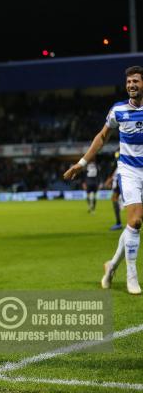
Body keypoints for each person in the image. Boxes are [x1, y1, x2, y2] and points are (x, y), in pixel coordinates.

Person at [64, 65, 143, 295]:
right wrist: (81, 164)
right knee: (136, 222)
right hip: (129, 172)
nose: (131, 85)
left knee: (132, 226)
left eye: (136, 81)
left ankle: (111, 267)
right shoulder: (118, 110)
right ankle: (132, 276)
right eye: (129, 82)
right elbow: (101, 137)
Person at [105, 152, 123, 231]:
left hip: (122, 178)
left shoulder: (119, 150)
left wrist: (110, 178)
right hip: (127, 176)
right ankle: (119, 223)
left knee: (115, 198)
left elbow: (116, 163)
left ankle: (119, 223)